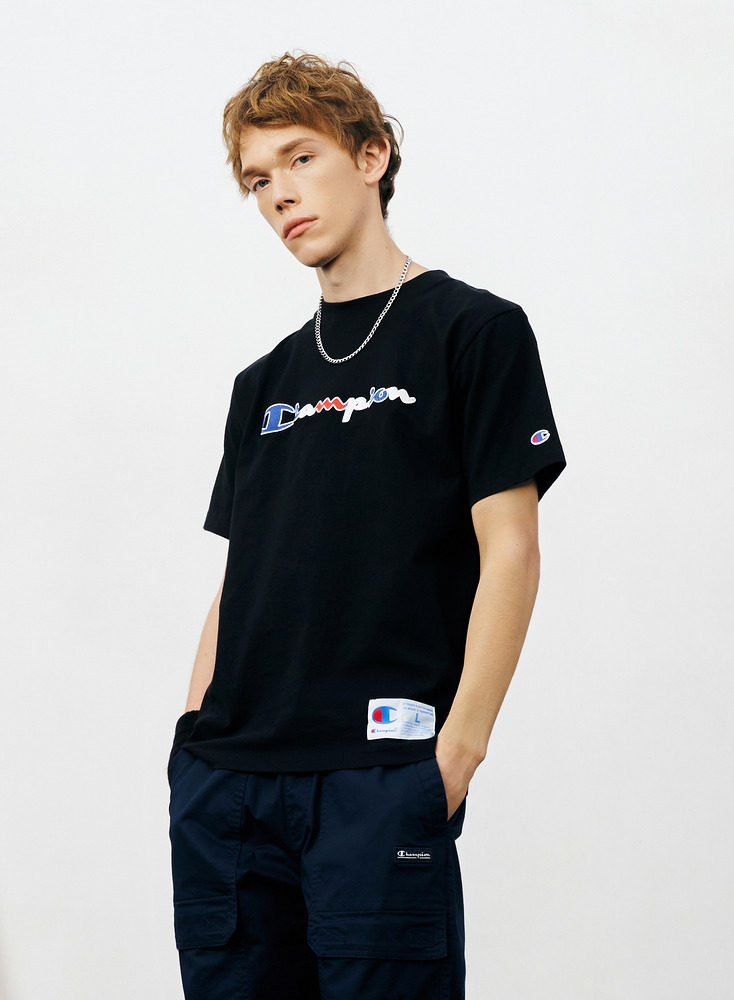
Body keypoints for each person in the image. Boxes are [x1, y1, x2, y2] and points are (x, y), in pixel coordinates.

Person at [166, 49, 567, 1000]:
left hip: (378, 781)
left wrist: (456, 754)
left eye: (301, 158)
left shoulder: (474, 332)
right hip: (229, 792)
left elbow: (511, 551)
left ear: (372, 154)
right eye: (258, 180)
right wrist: (191, 742)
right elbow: (241, 580)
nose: (279, 195)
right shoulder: (262, 384)